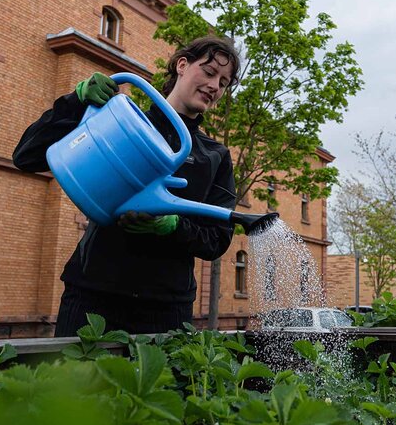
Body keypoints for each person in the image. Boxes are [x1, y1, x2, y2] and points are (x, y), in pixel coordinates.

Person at [13, 36, 240, 335]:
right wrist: (75, 103)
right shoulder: (120, 122)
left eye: (223, 83)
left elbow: (218, 239)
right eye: (209, 72)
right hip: (93, 298)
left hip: (166, 308)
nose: (214, 86)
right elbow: (26, 156)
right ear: (182, 65)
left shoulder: (214, 156)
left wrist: (174, 227)